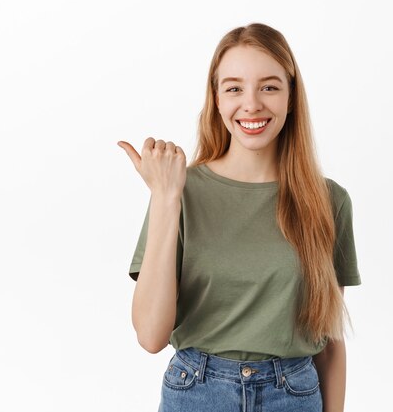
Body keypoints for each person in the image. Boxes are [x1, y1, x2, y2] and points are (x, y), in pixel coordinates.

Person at [117, 22, 361, 412]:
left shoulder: (329, 201)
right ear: (216, 99)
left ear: (291, 97)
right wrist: (166, 199)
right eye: (234, 88)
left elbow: (330, 343)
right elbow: (150, 335)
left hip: (294, 395)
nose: (251, 104)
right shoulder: (180, 191)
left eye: (269, 86)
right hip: (197, 392)